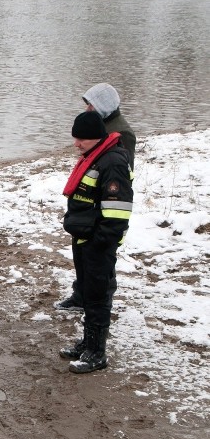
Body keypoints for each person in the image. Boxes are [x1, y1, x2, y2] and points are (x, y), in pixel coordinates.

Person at [59, 111, 133, 374]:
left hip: (97, 243)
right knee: (88, 295)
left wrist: (101, 242)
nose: (76, 144)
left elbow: (118, 212)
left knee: (98, 297)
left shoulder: (112, 162)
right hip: (85, 237)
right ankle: (87, 343)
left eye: (81, 139)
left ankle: (97, 353)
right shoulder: (95, 155)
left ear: (95, 138)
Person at [55, 82, 137, 311]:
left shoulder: (122, 132)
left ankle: (101, 301)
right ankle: (81, 295)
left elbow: (121, 170)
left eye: (90, 105)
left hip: (105, 202)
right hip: (88, 205)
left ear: (102, 106)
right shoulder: (98, 124)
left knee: (101, 260)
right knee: (84, 256)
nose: (87, 109)